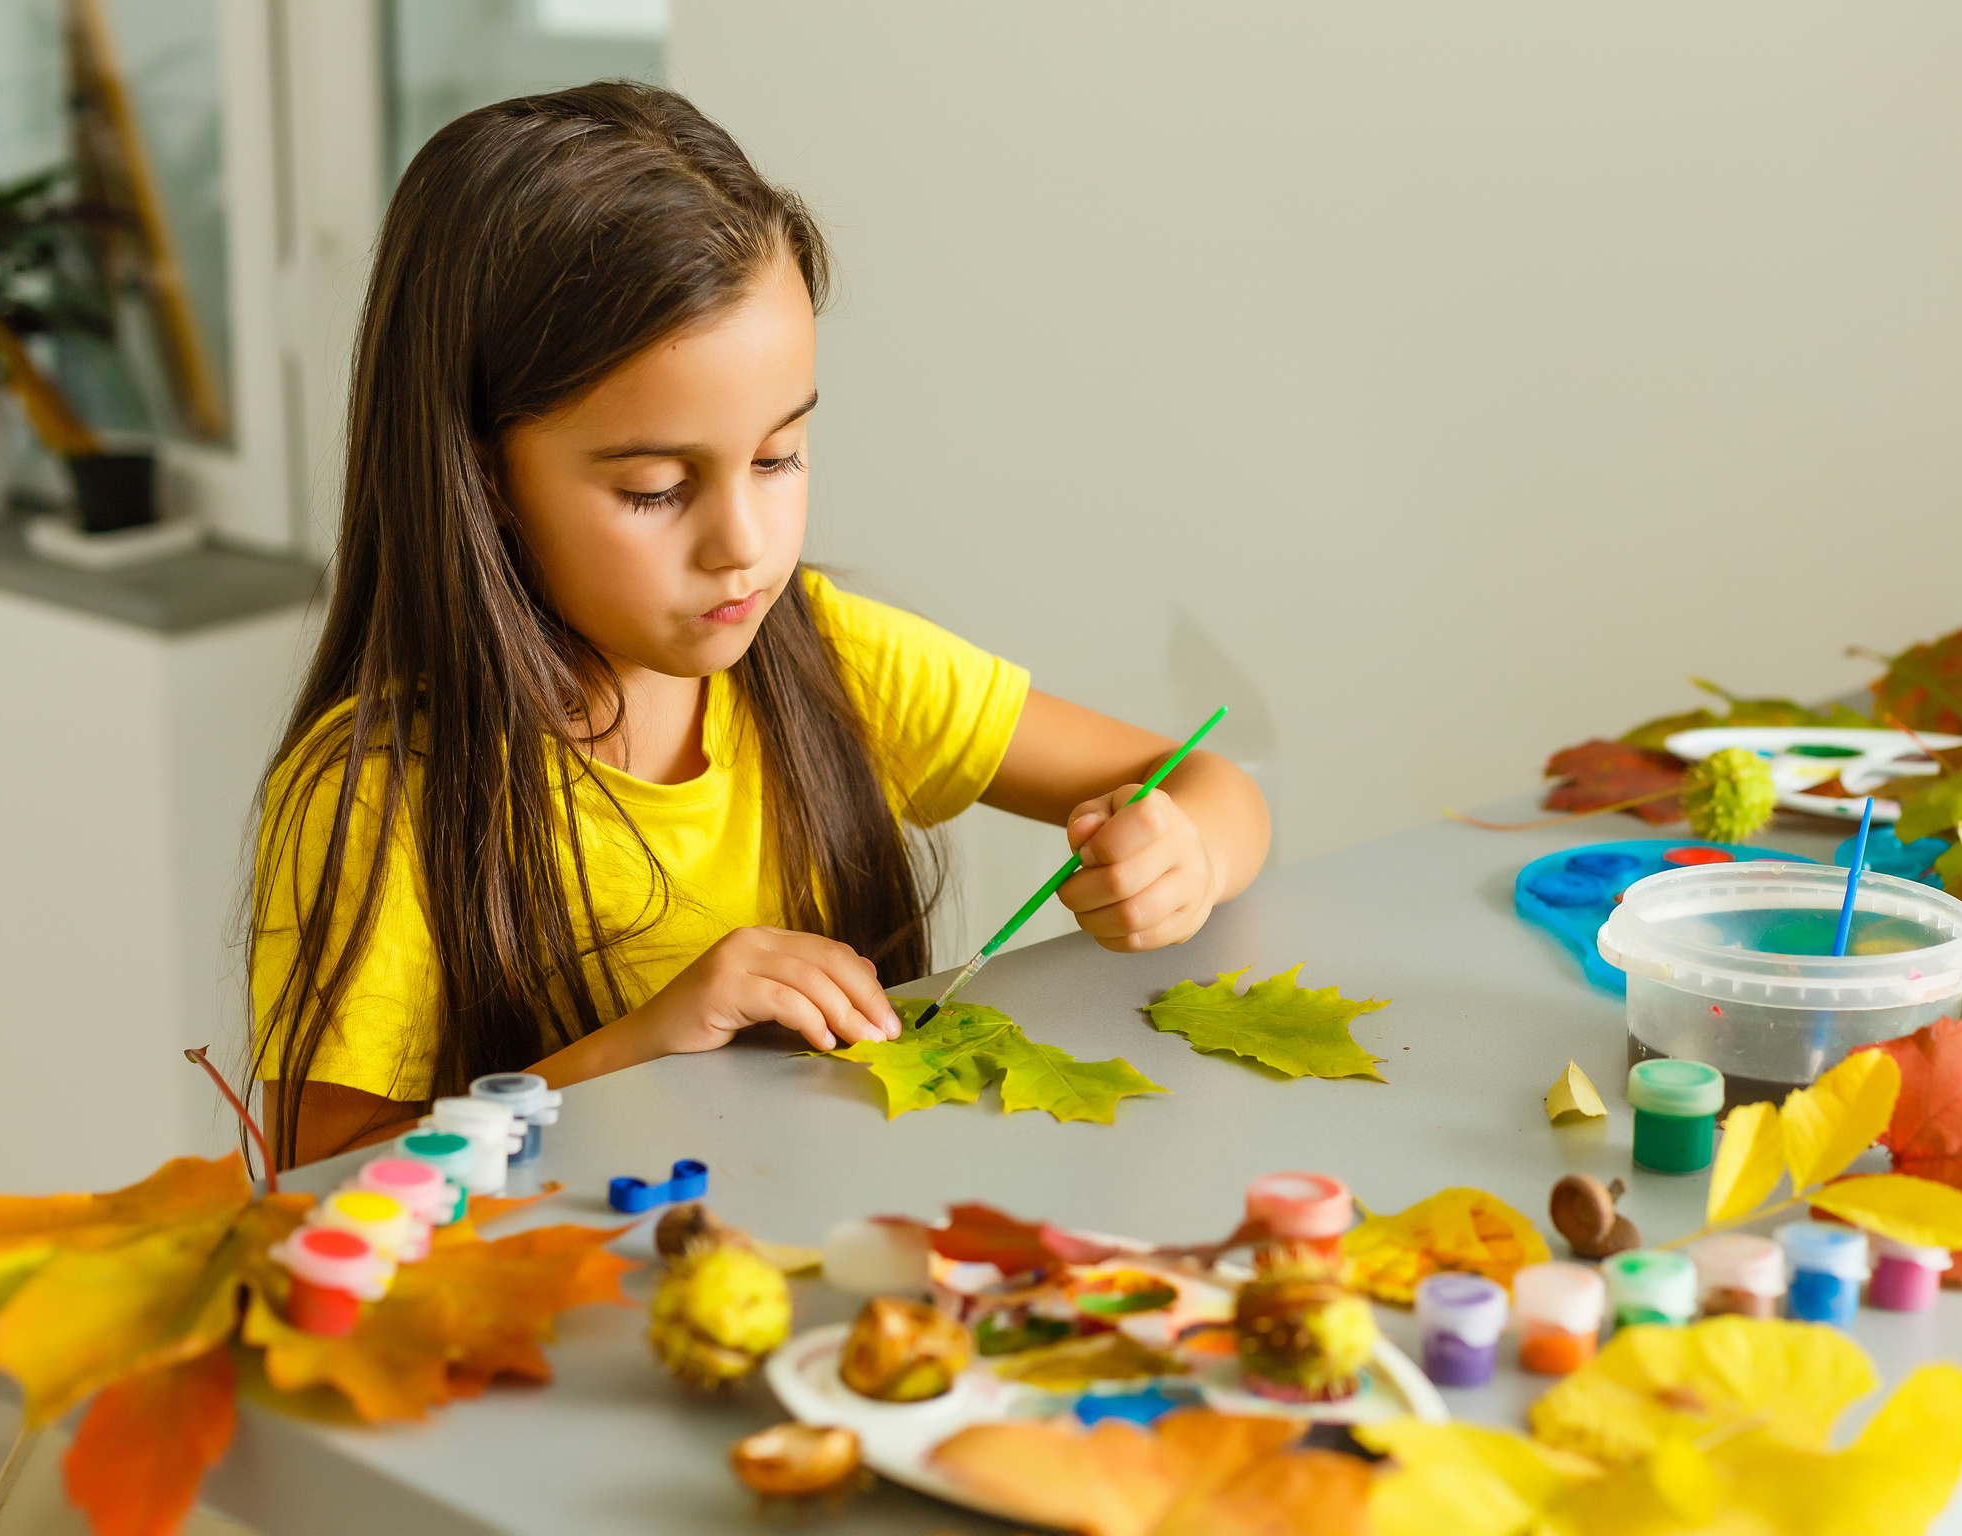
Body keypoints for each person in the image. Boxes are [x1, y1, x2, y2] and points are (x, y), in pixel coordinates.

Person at [249, 82, 1268, 1167]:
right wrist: (642, 1046)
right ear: (485, 474)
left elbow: (1210, 784)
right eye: (653, 488)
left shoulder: (826, 657)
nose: (743, 541)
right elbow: (325, 1185)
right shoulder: (380, 800)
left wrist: (1182, 855)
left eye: (779, 458)